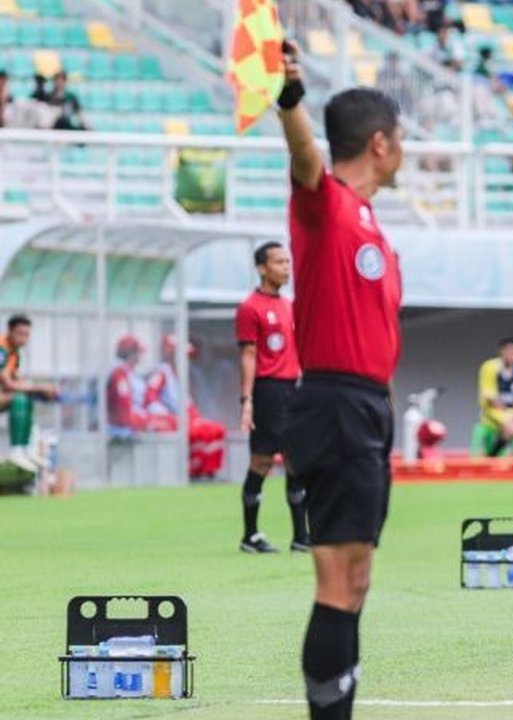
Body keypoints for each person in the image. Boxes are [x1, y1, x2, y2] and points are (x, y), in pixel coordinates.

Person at [277, 42, 404, 720]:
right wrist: (290, 95)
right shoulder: (324, 203)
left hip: (364, 408)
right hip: (332, 402)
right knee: (335, 579)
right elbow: (303, 157)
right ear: (380, 144)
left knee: (355, 577)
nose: (405, 151)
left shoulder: (372, 223)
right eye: (402, 140)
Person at [234, 242, 308, 554]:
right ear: (262, 268)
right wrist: (247, 400)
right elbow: (249, 356)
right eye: (279, 262)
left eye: (288, 261)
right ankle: (250, 536)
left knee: (297, 462)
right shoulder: (250, 308)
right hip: (268, 390)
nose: (286, 267)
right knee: (262, 461)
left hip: (294, 388)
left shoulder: (290, 305)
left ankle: (300, 536)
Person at [144, 334, 227, 480]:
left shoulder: (178, 374)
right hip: (172, 420)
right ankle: (195, 472)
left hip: (186, 418)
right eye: (181, 355)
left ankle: (207, 472)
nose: (185, 359)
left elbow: (187, 403)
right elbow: (150, 400)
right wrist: (170, 417)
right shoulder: (162, 372)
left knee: (216, 430)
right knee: (205, 432)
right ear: (171, 354)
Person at [0, 315, 58, 472]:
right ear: (10, 331)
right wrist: (39, 388)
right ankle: (16, 451)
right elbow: (8, 384)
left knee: (26, 398)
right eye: (20, 333)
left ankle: (27, 450)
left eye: (27, 334)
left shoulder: (14, 353)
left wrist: (42, 390)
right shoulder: (2, 349)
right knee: (19, 399)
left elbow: (19, 379)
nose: (23, 338)